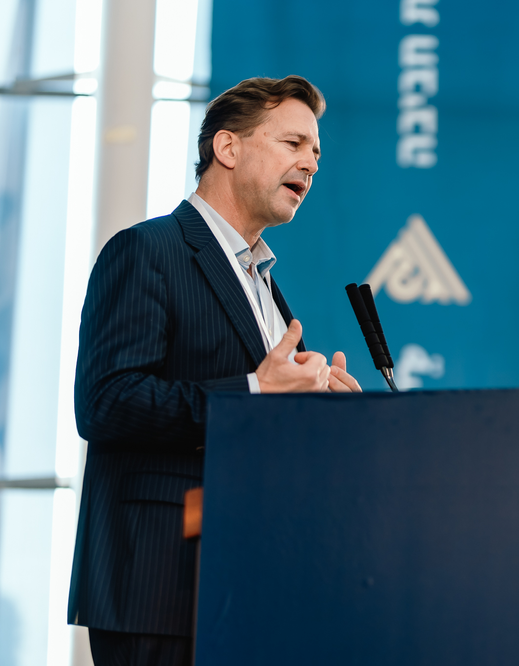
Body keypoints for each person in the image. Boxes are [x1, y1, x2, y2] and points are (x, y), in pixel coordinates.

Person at [67, 75, 359, 665]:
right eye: (294, 144)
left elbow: (261, 424)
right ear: (228, 147)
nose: (311, 163)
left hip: (253, 584)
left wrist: (316, 410)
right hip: (161, 585)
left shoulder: (265, 285)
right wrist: (255, 390)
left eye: (316, 153)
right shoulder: (146, 251)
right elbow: (106, 403)